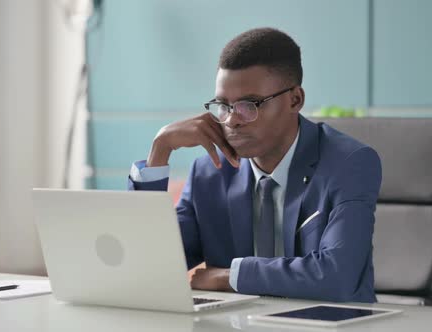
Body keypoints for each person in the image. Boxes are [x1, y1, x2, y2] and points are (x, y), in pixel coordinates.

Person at [128, 27, 381, 303]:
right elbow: (147, 265)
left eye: (249, 105)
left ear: (295, 100)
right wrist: (160, 150)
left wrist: (230, 276)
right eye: (223, 105)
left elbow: (337, 276)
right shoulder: (209, 172)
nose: (231, 120)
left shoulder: (348, 163)